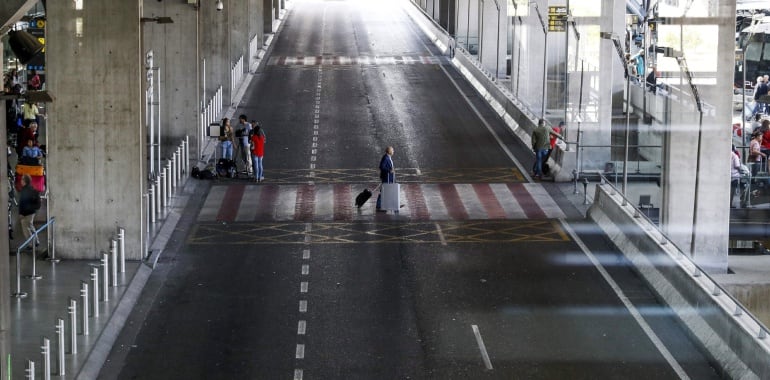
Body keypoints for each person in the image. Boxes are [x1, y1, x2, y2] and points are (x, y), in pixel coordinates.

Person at [18, 174, 41, 249]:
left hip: (26, 213)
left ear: (25, 181)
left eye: (22, 179)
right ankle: (36, 241)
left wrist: (21, 213)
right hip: (32, 211)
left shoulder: (24, 190)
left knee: (25, 228)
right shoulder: (32, 189)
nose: (21, 181)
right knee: (30, 226)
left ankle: (31, 244)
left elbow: (22, 203)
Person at [375, 146, 395, 211]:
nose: (393, 151)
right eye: (392, 150)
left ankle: (391, 204)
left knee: (388, 191)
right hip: (386, 178)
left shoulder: (388, 157)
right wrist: (389, 170)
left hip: (389, 177)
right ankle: (379, 205)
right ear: (389, 151)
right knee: (384, 191)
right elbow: (381, 167)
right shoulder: (386, 158)